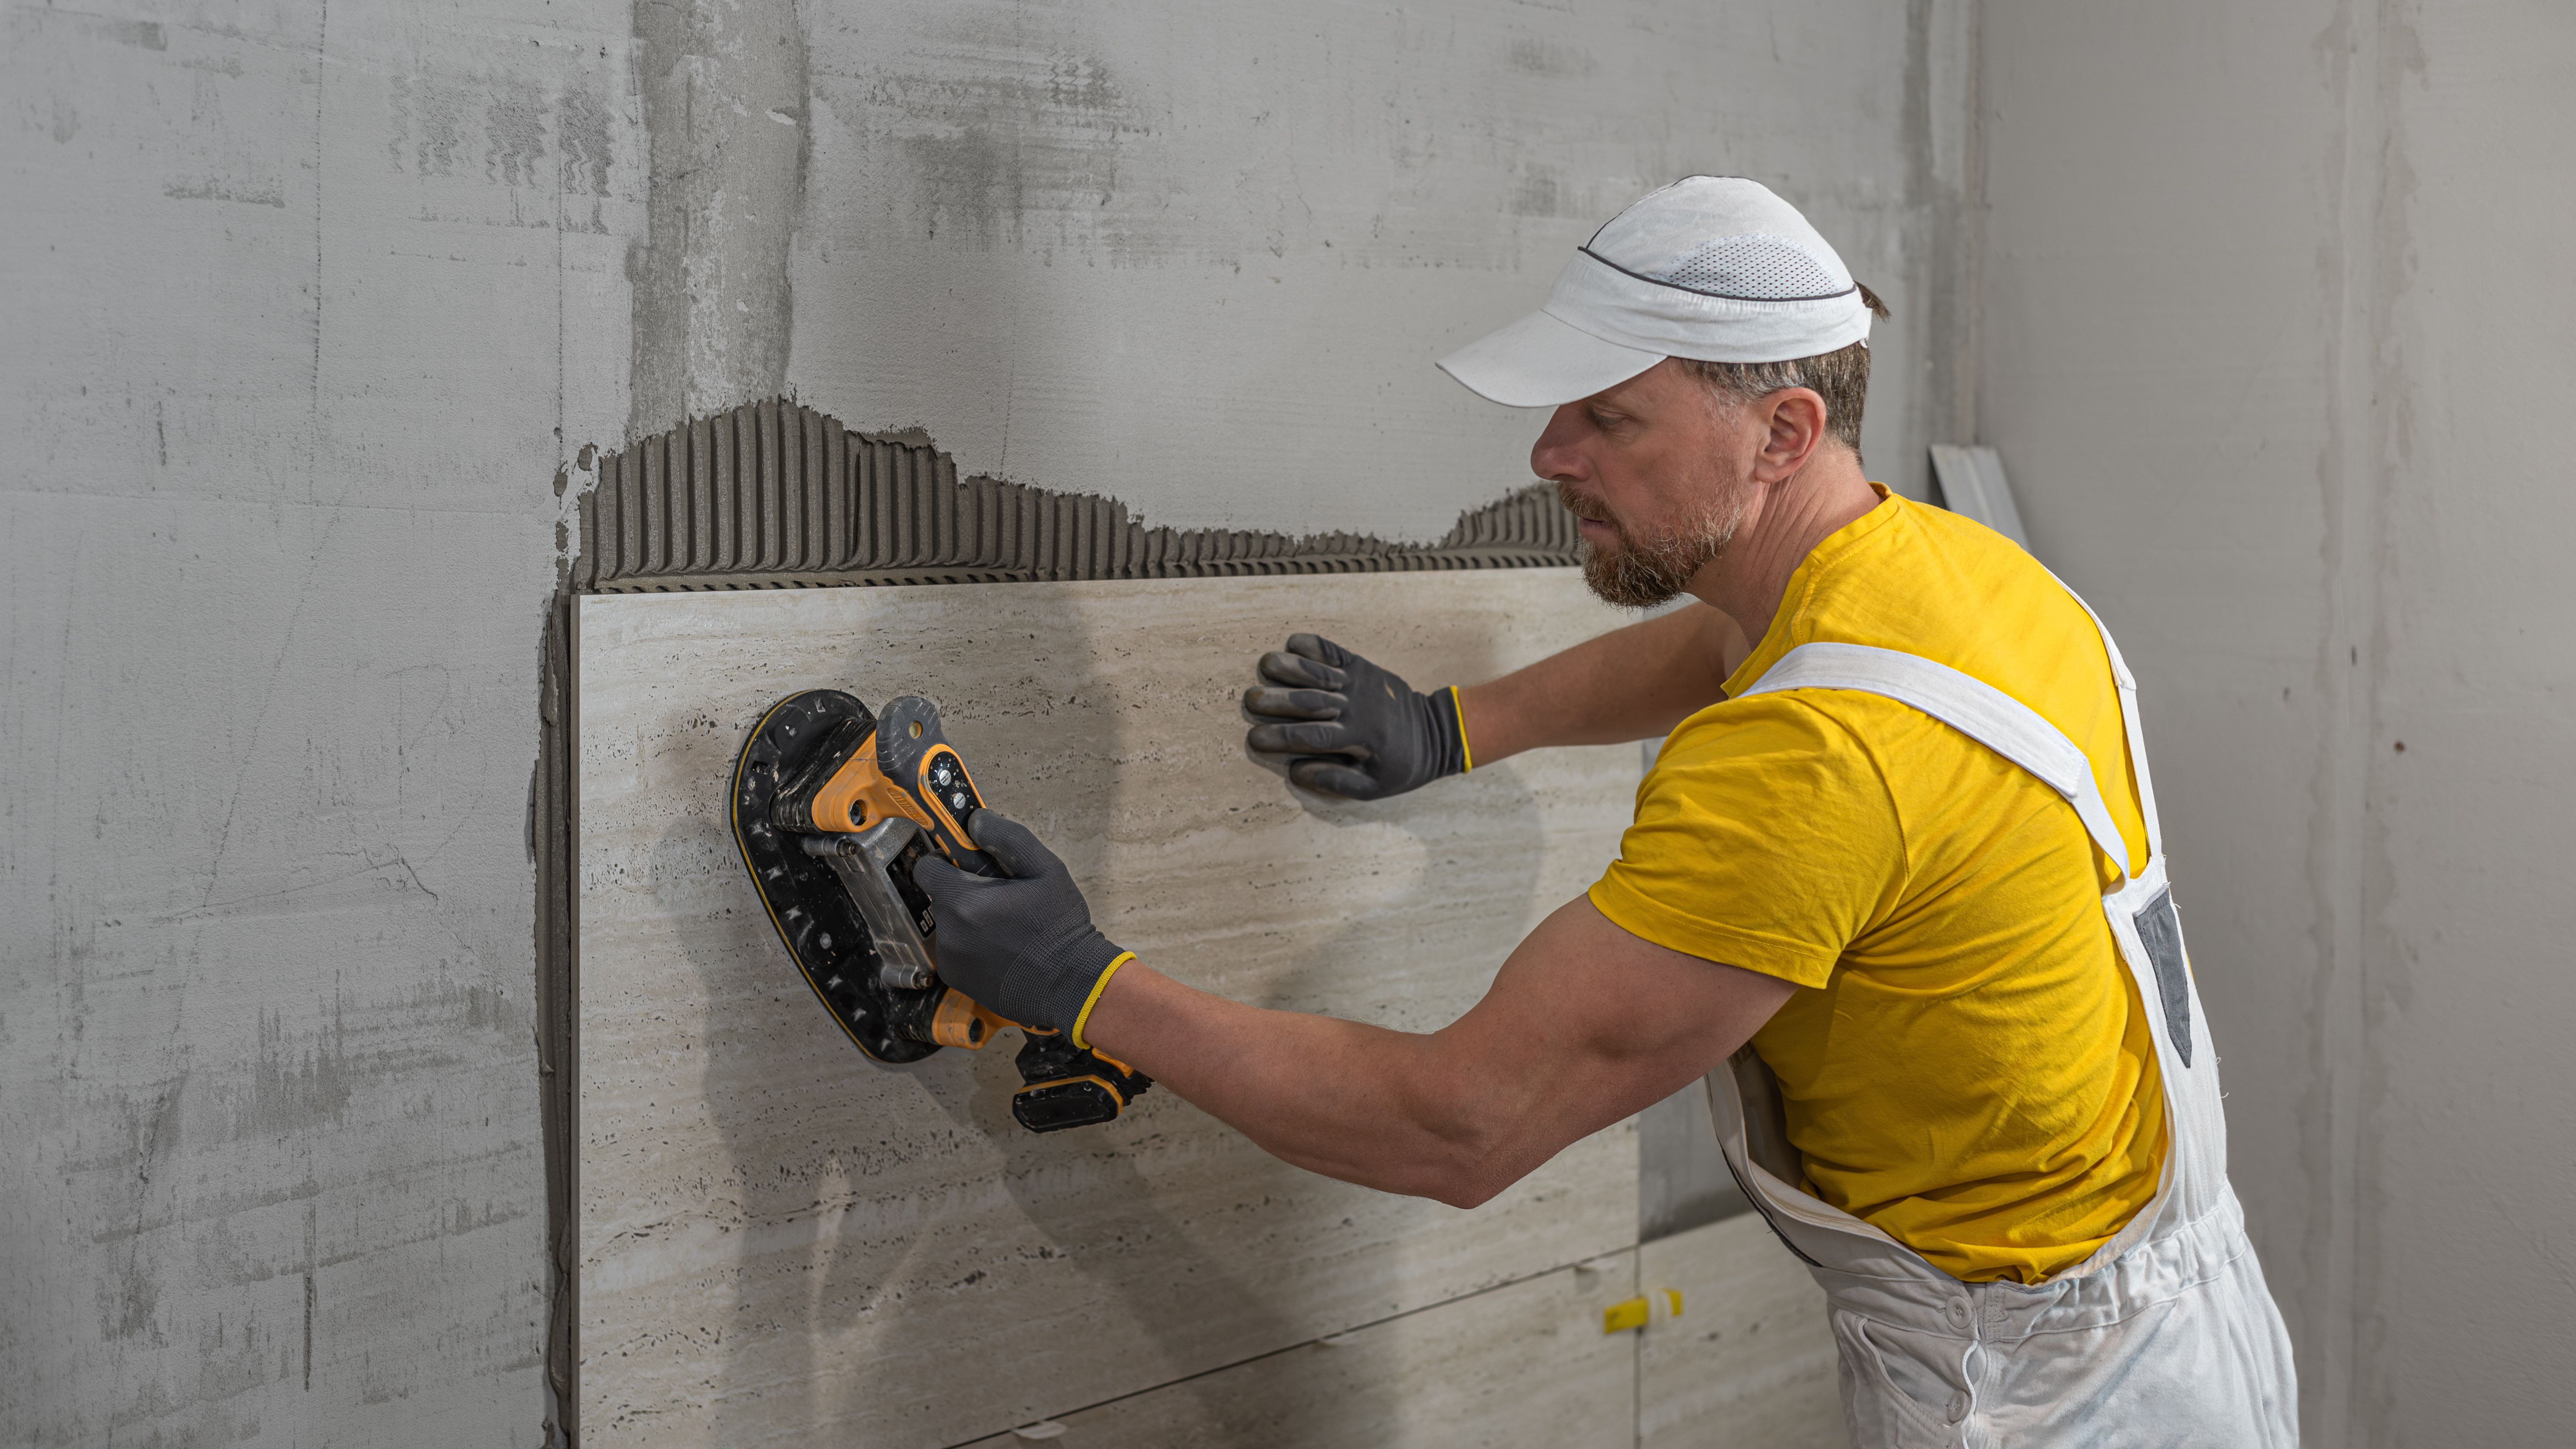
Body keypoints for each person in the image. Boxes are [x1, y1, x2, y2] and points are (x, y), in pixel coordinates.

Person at [911, 177, 2298, 1446]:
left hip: (2040, 1397)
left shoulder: (1816, 763)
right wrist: (1453, 727)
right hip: (2185, 1312)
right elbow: (1725, 650)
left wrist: (1087, 987)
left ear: (1784, 433)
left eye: (1610, 417)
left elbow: (1459, 1128)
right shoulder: (1945, 578)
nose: (1549, 453)